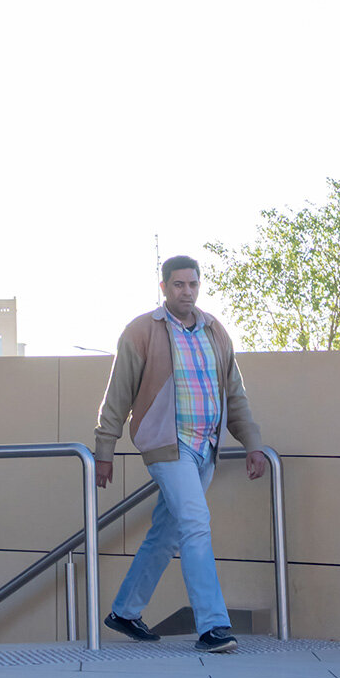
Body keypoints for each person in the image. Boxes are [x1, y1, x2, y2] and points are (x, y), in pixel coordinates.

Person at [94, 255, 268, 654]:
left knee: (166, 532)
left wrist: (252, 444)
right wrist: (105, 447)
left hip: (206, 447)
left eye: (192, 284)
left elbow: (234, 394)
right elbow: (117, 394)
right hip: (167, 446)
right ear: (164, 288)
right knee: (195, 523)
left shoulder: (214, 332)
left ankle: (125, 611)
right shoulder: (142, 331)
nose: (186, 292)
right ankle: (213, 626)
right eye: (178, 285)